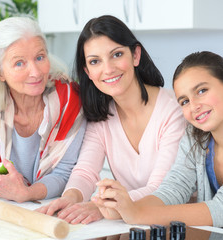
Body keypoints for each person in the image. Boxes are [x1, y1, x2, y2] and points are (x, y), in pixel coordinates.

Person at [93, 51, 223, 239]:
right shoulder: (195, 137)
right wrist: (123, 208)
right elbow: (172, 190)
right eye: (184, 101)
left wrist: (137, 213)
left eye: (201, 91)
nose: (194, 106)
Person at [36, 15, 185, 224]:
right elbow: (86, 171)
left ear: (135, 55)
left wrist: (101, 207)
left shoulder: (173, 111)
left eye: (116, 54)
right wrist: (70, 198)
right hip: (130, 220)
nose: (108, 69)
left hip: (175, 222)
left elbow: (161, 189)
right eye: (95, 61)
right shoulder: (101, 114)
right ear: (88, 72)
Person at [0, 16, 86, 203]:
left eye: (40, 57)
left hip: (54, 205)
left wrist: (26, 193)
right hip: (7, 205)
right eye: (19, 63)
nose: (36, 72)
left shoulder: (71, 103)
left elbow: (65, 173)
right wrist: (11, 189)